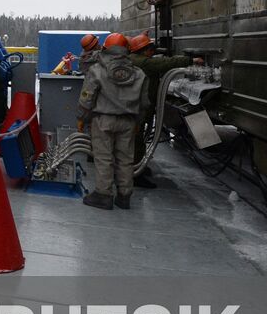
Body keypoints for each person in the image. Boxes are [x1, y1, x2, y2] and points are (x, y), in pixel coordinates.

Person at [76, 32, 148, 210]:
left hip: (103, 120)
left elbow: (87, 99)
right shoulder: (139, 74)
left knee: (104, 158)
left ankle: (103, 195)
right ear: (127, 49)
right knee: (125, 158)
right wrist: (139, 122)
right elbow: (144, 103)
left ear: (105, 48)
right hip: (128, 121)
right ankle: (124, 196)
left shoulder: (97, 71)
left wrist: (82, 119)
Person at [127, 32, 199, 188]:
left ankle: (137, 168)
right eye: (150, 48)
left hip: (135, 106)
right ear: (144, 50)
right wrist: (191, 60)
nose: (152, 52)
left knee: (137, 139)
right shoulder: (144, 63)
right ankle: (134, 175)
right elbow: (166, 63)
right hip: (138, 108)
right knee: (137, 141)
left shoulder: (133, 60)